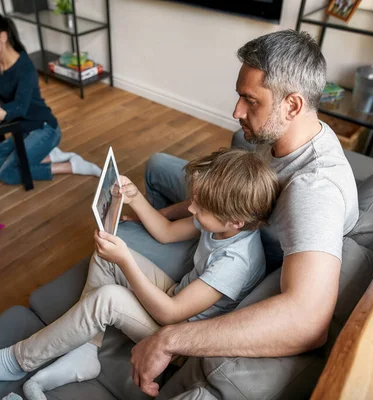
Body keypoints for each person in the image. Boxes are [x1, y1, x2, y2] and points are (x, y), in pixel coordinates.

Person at [119, 29, 360, 397]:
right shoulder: (282, 136)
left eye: (250, 101)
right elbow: (225, 197)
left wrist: (169, 340)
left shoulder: (314, 191)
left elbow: (308, 320)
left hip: (228, 245)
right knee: (156, 166)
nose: (236, 112)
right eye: (239, 97)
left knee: (115, 240)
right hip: (222, 216)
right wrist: (158, 213)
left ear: (292, 105)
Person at [0, 148, 279, 400]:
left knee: (109, 297)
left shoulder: (235, 262)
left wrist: (126, 262)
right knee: (107, 253)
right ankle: (86, 350)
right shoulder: (222, 222)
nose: (192, 209)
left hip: (178, 337)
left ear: (236, 221)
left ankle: (17, 360)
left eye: (201, 208)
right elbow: (165, 231)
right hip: (177, 298)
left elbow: (170, 314)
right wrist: (135, 199)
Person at [0, 12, 100, 184]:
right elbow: (3, 82)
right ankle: (47, 155)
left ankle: (71, 165)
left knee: (7, 174)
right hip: (22, 130)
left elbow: (18, 107)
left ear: (2, 37)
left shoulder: (25, 68)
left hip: (44, 128)